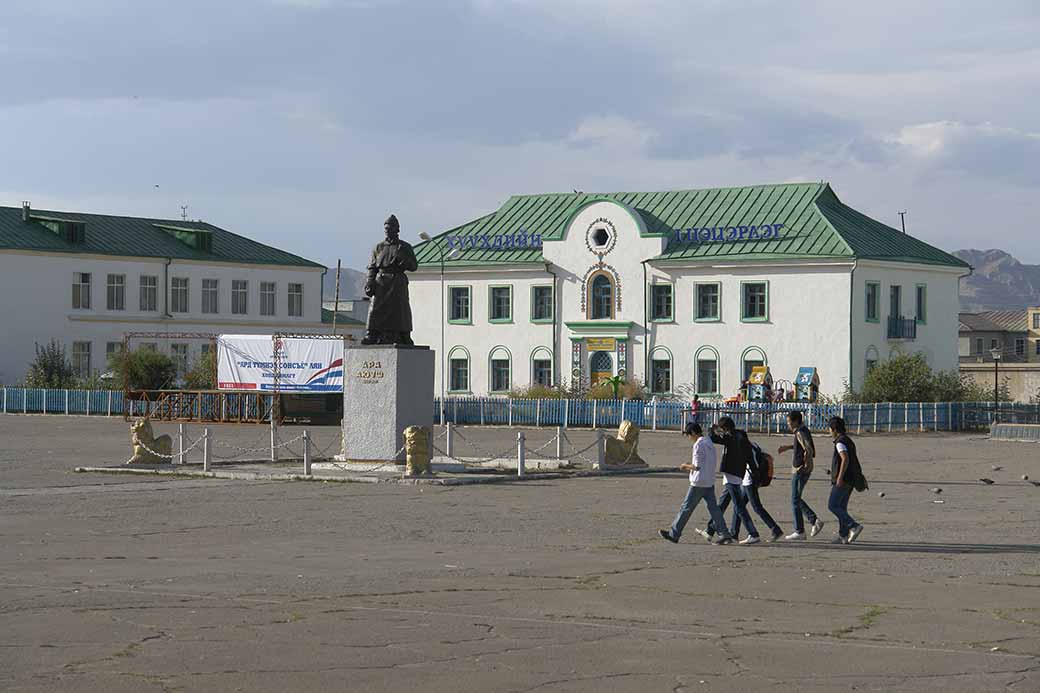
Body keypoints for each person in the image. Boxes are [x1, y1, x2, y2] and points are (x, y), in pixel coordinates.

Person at [659, 422, 733, 545]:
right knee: (714, 509)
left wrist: (685, 466)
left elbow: (697, 466)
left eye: (689, 435)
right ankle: (724, 534)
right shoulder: (708, 441)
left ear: (693, 433)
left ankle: (674, 534)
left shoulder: (698, 445)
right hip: (709, 480)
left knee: (686, 508)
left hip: (698, 482)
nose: (689, 438)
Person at [700, 441, 784, 542]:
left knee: (755, 507)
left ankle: (774, 529)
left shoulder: (739, 445)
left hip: (748, 480)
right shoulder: (753, 444)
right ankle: (734, 533)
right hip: (753, 478)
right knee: (739, 506)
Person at [702, 417, 761, 545]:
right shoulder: (742, 437)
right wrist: (755, 471)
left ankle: (753, 533)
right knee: (723, 503)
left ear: (725, 428)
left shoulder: (730, 437)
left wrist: (712, 429)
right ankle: (711, 529)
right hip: (739, 473)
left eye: (722, 429)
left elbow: (713, 438)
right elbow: (749, 457)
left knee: (739, 507)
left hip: (730, 474)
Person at [362, 214, 419, 345]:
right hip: (381, 282)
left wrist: (402, 256)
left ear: (397, 229)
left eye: (390, 228)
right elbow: (372, 267)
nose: (387, 231)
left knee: (401, 310)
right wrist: (370, 282)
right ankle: (371, 334)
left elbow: (413, 266)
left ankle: (405, 335)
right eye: (386, 228)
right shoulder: (379, 247)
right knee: (375, 309)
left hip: (397, 282)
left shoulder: (405, 246)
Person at [778, 411, 824, 540]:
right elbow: (801, 445)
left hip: (800, 469)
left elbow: (808, 449)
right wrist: (788, 447)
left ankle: (804, 527)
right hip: (802, 468)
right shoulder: (802, 430)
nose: (788, 425)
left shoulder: (800, 432)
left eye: (789, 422)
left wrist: (804, 464)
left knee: (795, 499)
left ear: (796, 421)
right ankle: (808, 524)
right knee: (796, 498)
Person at [827, 416, 865, 544]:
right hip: (852, 479)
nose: (829, 432)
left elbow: (845, 458)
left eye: (830, 429)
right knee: (841, 507)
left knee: (832, 505)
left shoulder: (840, 442)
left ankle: (853, 526)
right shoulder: (848, 440)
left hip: (844, 479)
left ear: (834, 429)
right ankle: (843, 535)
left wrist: (839, 477)